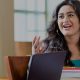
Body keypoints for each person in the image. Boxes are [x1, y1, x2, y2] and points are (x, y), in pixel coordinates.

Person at [32, 0, 80, 67]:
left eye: (70, 15)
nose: (65, 20)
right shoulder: (47, 48)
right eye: (61, 16)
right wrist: (36, 60)